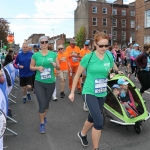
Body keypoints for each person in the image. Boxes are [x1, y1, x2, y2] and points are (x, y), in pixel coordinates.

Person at [69, 32, 114, 150]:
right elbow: (77, 74)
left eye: (106, 46)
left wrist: (113, 73)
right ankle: (95, 148)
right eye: (101, 46)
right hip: (89, 92)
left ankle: (82, 134)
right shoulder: (88, 57)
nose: (104, 48)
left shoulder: (109, 56)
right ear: (95, 44)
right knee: (99, 122)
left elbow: (110, 69)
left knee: (92, 117)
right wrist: (72, 92)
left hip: (102, 92)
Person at [30, 36, 60, 134]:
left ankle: (44, 116)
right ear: (39, 44)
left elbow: (59, 67)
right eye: (42, 42)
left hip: (50, 82)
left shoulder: (53, 54)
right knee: (42, 104)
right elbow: (31, 67)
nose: (44, 44)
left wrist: (56, 66)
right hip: (39, 82)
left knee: (46, 104)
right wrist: (38, 68)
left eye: (46, 42)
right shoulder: (35, 55)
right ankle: (42, 123)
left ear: (48, 43)